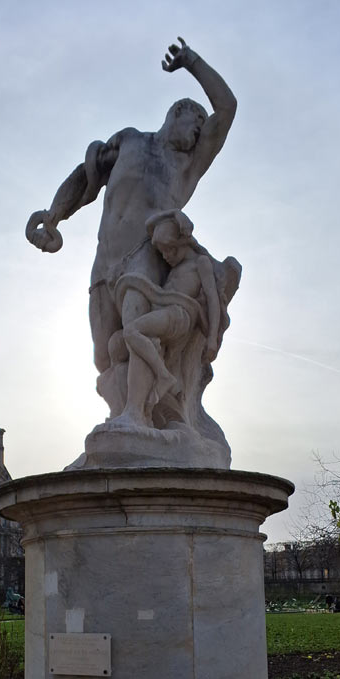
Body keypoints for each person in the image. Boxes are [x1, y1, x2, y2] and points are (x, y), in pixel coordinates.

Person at [25, 38, 237, 416]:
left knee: (139, 336)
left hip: (144, 262)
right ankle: (141, 425)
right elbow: (86, 178)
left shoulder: (188, 167)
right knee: (105, 357)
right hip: (104, 261)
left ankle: (138, 419)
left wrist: (191, 61)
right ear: (177, 115)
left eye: (203, 127)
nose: (199, 132)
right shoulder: (131, 140)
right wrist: (54, 215)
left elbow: (228, 107)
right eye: (196, 122)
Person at [106, 209, 240, 428]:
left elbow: (213, 301)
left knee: (133, 331)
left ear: (182, 241)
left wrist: (213, 338)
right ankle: (152, 393)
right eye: (161, 251)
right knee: (126, 340)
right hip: (166, 313)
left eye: (169, 249)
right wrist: (173, 214)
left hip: (180, 316)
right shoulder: (175, 265)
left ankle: (163, 377)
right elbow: (150, 222)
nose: (166, 255)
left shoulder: (201, 263)